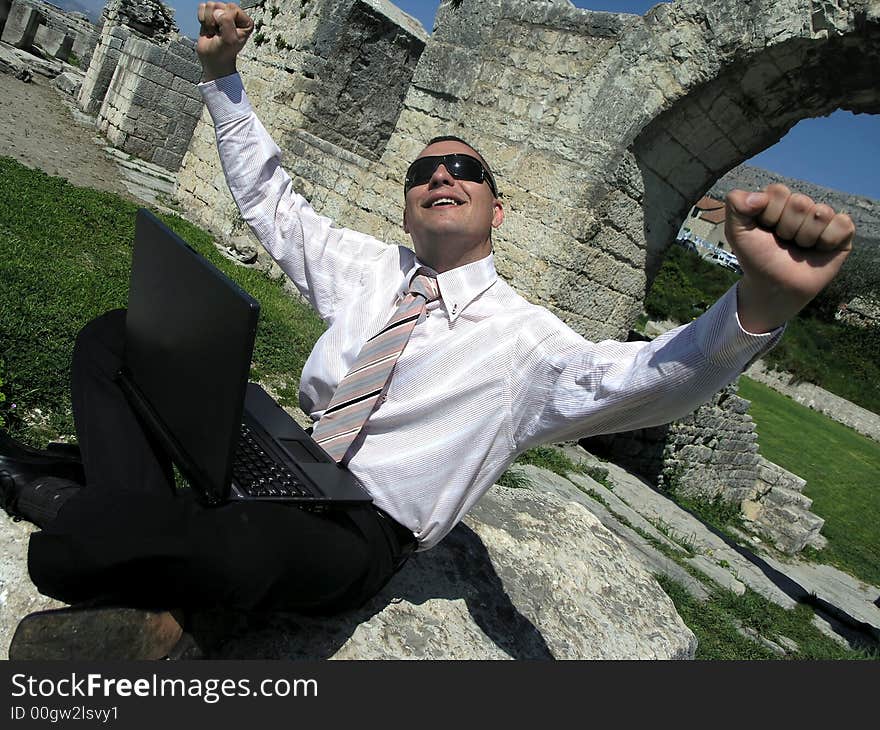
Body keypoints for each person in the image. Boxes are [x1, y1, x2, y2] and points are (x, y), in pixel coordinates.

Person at [0, 3, 855, 659]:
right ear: (409, 202)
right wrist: (222, 75)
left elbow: (652, 377)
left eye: (464, 170)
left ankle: (94, 525)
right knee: (117, 336)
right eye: (424, 170)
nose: (441, 175)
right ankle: (131, 536)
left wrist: (759, 306)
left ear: (496, 206)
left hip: (355, 529)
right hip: (282, 451)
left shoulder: (530, 347)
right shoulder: (370, 270)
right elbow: (271, 202)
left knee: (125, 542)